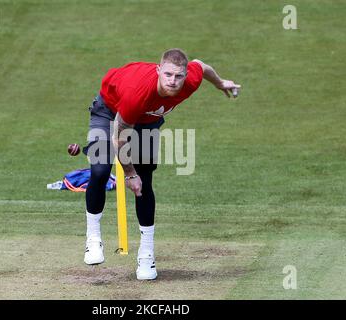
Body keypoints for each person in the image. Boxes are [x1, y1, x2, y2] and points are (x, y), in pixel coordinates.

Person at [82, 48, 240, 280]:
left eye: (178, 76)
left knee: (145, 183)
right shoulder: (138, 93)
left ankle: (146, 256)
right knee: (100, 169)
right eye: (167, 75)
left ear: (186, 75)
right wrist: (129, 174)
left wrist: (220, 83)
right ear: (158, 71)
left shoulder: (190, 80)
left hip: (147, 120)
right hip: (110, 111)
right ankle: (93, 239)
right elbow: (120, 136)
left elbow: (201, 65)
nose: (173, 81)